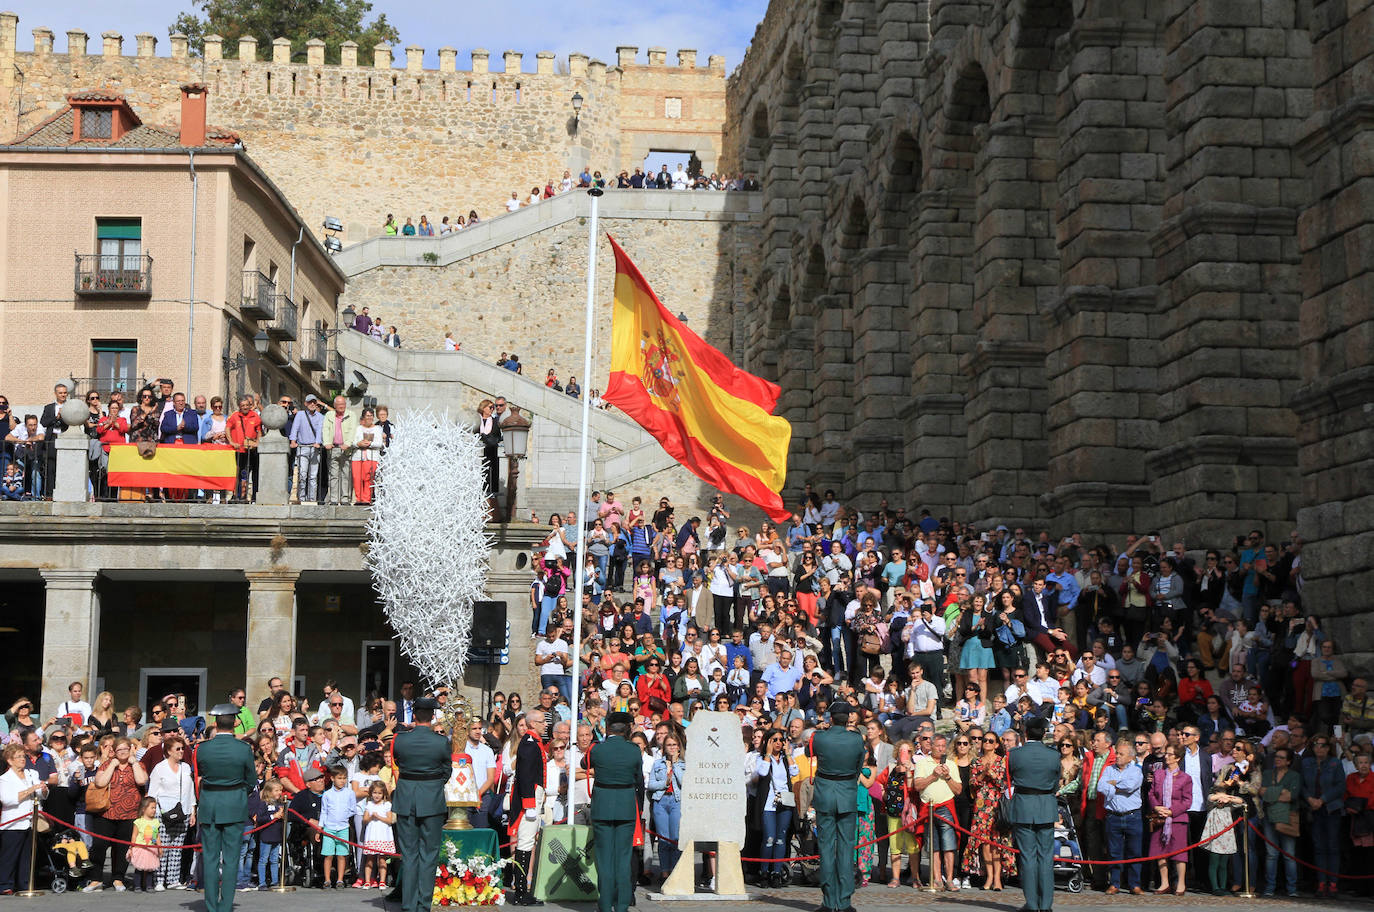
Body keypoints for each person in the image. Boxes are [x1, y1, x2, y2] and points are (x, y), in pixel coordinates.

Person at [194, 702, 256, 912]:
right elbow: (251, 780)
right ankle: (225, 906)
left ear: (216, 722)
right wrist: (237, 792)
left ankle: (212, 907)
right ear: (236, 723)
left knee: (211, 859)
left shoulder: (203, 748)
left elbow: (203, 775)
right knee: (231, 860)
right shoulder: (244, 749)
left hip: (210, 805)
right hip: (234, 805)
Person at [390, 697, 449, 912]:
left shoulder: (400, 739)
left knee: (409, 854)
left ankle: (408, 905)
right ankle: (423, 905)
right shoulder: (441, 741)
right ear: (433, 716)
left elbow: (398, 761)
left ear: (414, 715)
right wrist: (432, 785)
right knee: (429, 854)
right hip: (432, 800)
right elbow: (447, 771)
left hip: (406, 798)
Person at [810, 701, 865, 912]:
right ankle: (844, 901)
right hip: (847, 793)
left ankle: (828, 900)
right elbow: (858, 766)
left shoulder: (820, 737)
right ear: (848, 718)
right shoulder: (856, 739)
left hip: (825, 794)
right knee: (845, 849)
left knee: (825, 848)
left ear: (831, 717)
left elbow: (810, 751)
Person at [590, 711, 643, 912]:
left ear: (609, 728)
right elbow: (638, 777)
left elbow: (587, 765)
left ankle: (604, 904)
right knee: (623, 859)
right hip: (626, 805)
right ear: (627, 729)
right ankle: (621, 906)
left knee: (604, 859)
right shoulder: (633, 750)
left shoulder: (598, 750)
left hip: (603, 805)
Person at [1006, 716, 1060, 912]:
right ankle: (1045, 905)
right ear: (1044, 733)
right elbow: (1055, 783)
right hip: (1046, 805)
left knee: (1028, 857)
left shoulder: (1014, 754)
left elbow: (1009, 779)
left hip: (1023, 807)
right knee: (1045, 858)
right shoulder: (1053, 755)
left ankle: (1032, 903)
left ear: (1025, 732)